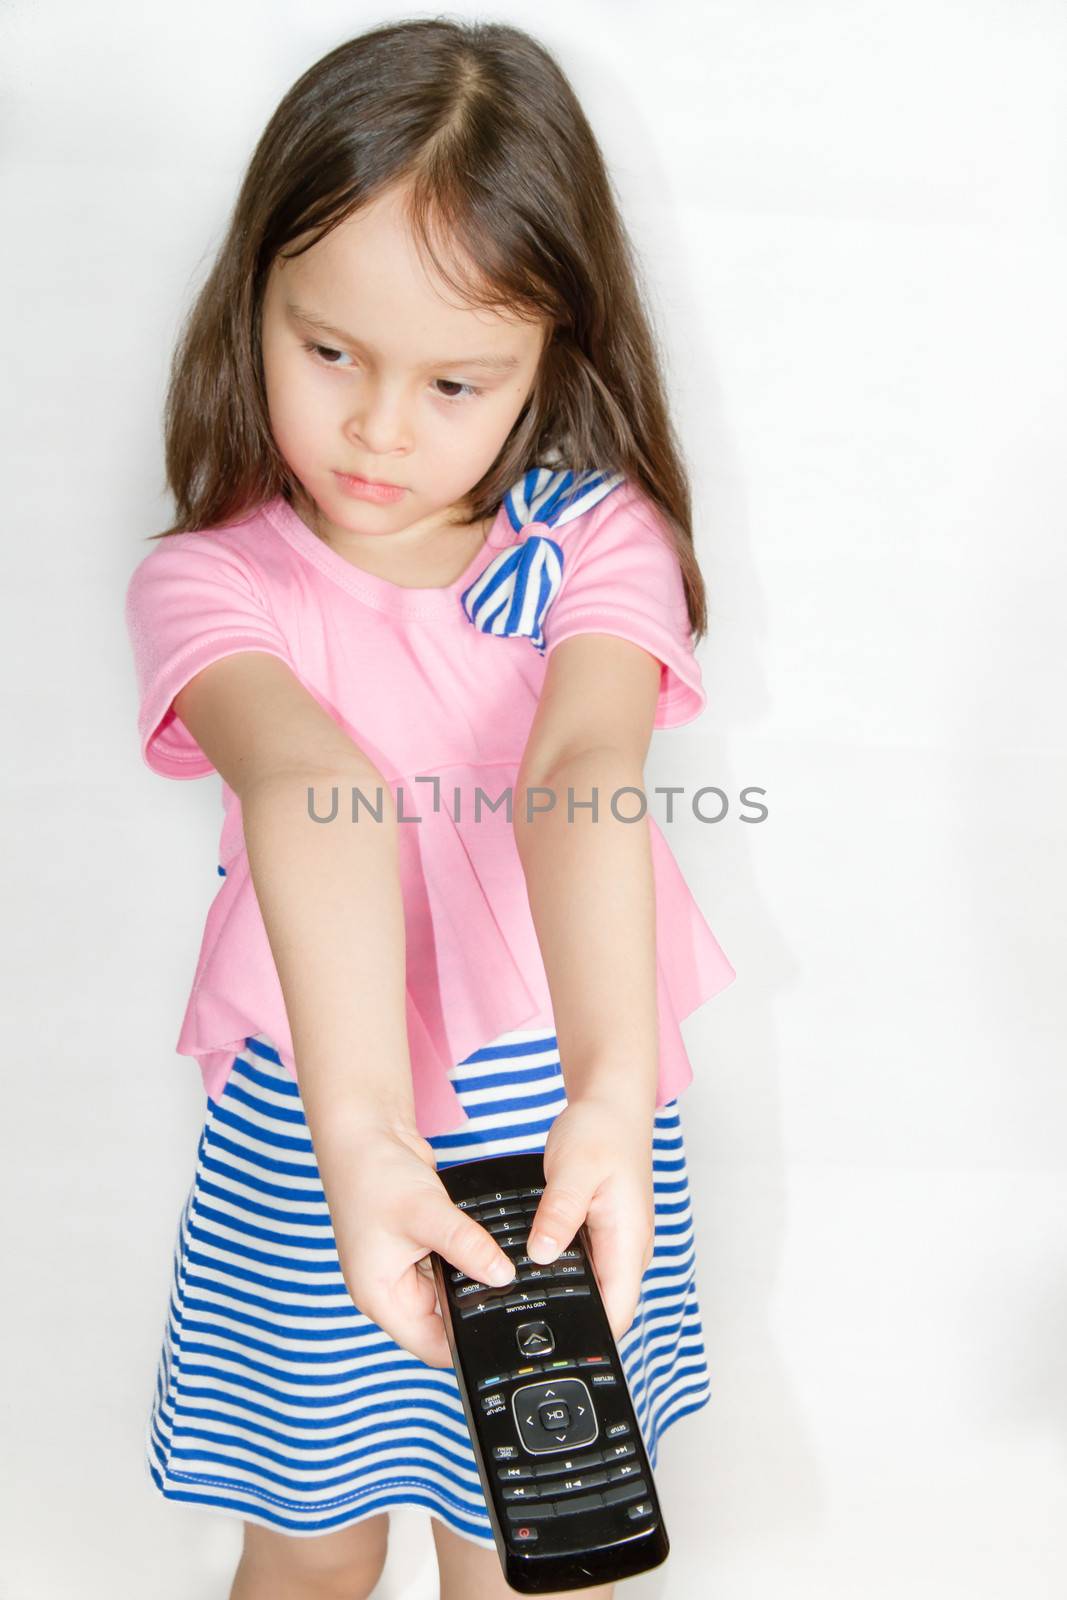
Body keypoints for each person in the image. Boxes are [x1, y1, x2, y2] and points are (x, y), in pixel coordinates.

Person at [124, 18, 736, 1600]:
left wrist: (607, 1089)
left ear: (555, 357)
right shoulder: (211, 583)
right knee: (311, 1541)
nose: (382, 429)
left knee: (540, 1541)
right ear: (252, 296)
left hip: (567, 1111)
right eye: (330, 352)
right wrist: (361, 1145)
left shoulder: (599, 537)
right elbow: (315, 790)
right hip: (315, 1119)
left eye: (457, 380)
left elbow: (581, 768)